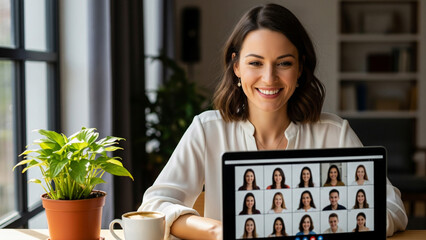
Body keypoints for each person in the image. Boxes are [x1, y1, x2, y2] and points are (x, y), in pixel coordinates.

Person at [138, 3, 407, 239]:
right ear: (236, 67)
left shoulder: (334, 133)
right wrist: (219, 232)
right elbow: (155, 206)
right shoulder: (207, 130)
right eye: (255, 63)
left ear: (300, 68)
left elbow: (392, 207)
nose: (269, 78)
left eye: (284, 63)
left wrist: (336, 223)